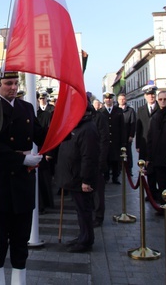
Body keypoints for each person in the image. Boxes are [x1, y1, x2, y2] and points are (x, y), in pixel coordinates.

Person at [0, 70, 45, 285]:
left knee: (20, 239)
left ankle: (19, 280)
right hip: (0, 182)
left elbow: (40, 133)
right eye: (8, 83)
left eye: (15, 83)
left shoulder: (26, 107)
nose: (13, 88)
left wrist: (66, 130)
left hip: (22, 184)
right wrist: (21, 160)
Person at [55, 102, 100, 253]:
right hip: (73, 176)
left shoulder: (87, 129)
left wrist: (86, 180)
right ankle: (82, 236)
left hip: (80, 178)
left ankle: (86, 240)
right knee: (80, 210)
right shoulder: (76, 125)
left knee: (84, 210)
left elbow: (89, 157)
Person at [136, 85, 159, 201]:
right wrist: (137, 145)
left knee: (158, 169)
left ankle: (160, 193)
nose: (151, 96)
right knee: (148, 170)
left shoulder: (160, 108)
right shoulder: (141, 110)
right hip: (145, 145)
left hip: (157, 144)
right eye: (149, 95)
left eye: (153, 94)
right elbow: (138, 128)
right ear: (145, 96)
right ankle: (151, 194)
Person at [99, 92, 125, 184]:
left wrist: (123, 141)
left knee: (115, 160)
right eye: (106, 98)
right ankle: (106, 177)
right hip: (105, 140)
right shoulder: (101, 111)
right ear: (104, 100)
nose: (108, 100)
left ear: (113, 99)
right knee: (105, 158)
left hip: (115, 139)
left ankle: (115, 177)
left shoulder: (118, 111)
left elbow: (122, 126)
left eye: (110, 98)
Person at [36, 91, 55, 214]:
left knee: (43, 180)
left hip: (42, 150)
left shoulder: (46, 115)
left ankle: (43, 205)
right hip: (31, 152)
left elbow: (50, 135)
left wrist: (49, 152)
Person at [117, 93, 136, 174]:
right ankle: (119, 169)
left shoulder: (130, 110)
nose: (122, 100)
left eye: (123, 99)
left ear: (126, 100)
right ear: (118, 100)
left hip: (127, 135)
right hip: (118, 136)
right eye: (120, 99)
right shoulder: (115, 110)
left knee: (128, 153)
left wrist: (131, 135)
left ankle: (129, 169)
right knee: (118, 153)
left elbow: (133, 123)